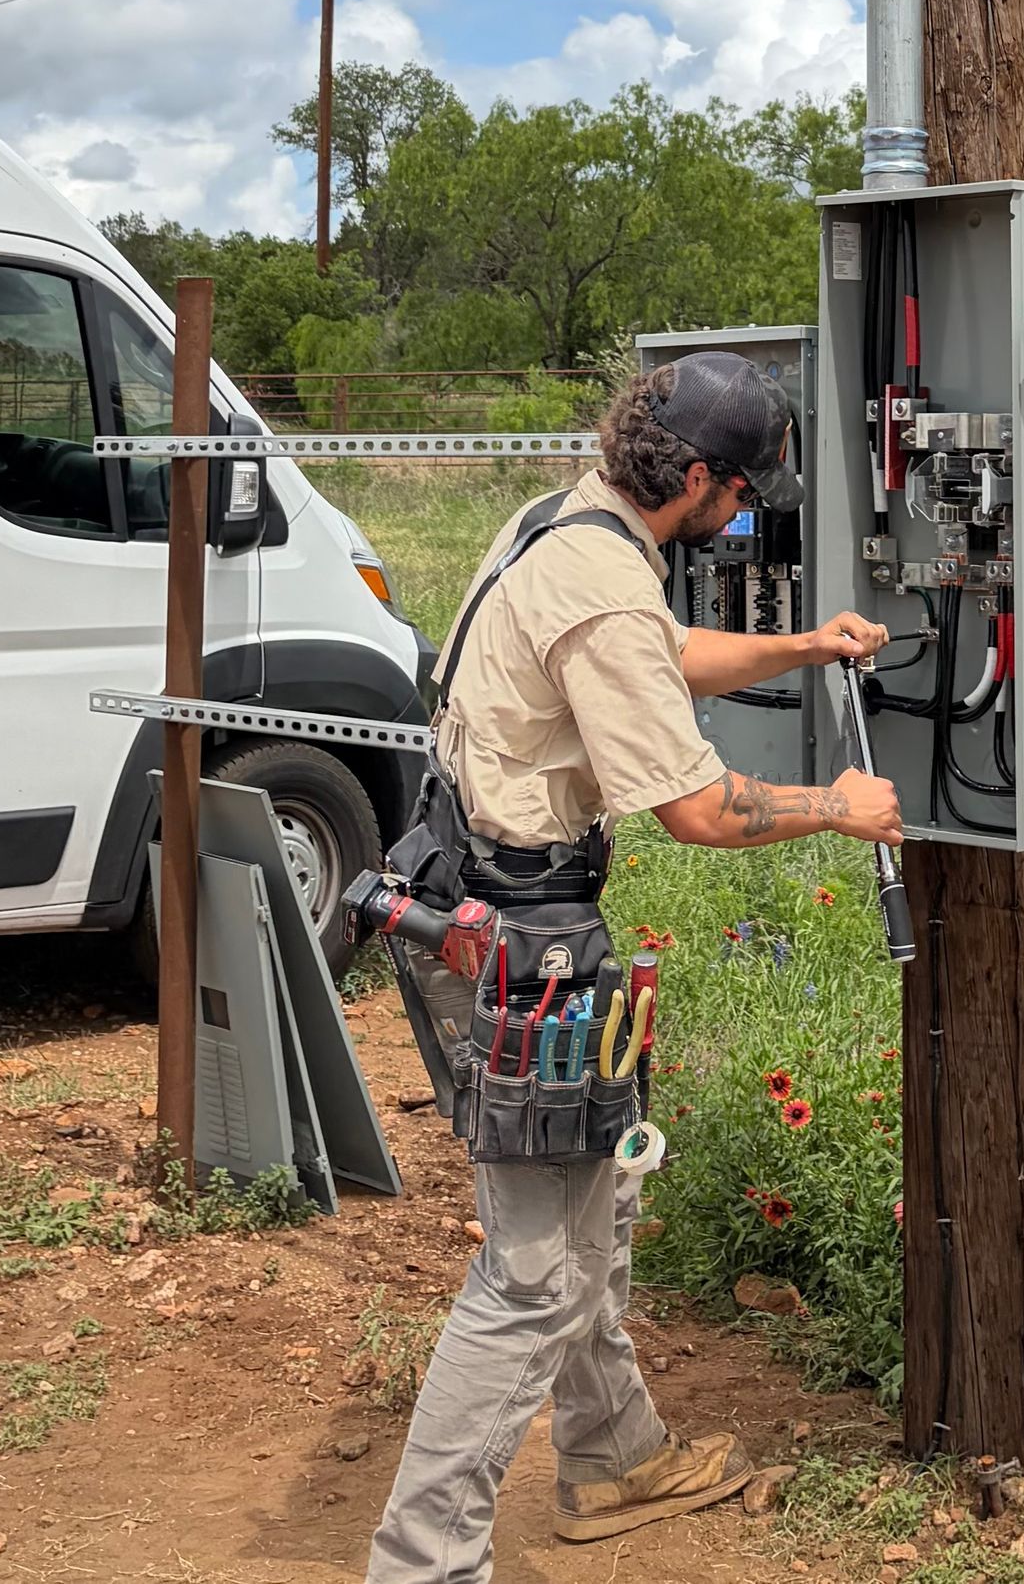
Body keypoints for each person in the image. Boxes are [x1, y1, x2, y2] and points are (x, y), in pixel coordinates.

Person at [367, 353, 901, 1579]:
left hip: (482, 900)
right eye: (745, 492)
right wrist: (840, 806)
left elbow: (658, 654)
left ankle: (613, 1454)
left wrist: (803, 645)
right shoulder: (603, 585)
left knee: (590, 1211)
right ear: (700, 478)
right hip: (518, 936)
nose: (746, 513)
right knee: (533, 1277)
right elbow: (700, 809)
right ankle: (422, 1562)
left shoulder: (568, 521)